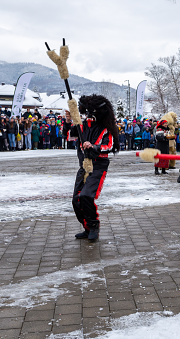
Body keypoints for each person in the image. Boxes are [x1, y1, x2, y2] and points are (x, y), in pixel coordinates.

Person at [67, 95, 119, 242]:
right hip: (83, 166)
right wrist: (68, 121)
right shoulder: (83, 124)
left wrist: (94, 147)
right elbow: (70, 136)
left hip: (98, 165)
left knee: (86, 196)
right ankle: (87, 227)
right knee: (76, 200)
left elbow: (109, 146)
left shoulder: (107, 127)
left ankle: (94, 226)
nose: (89, 115)